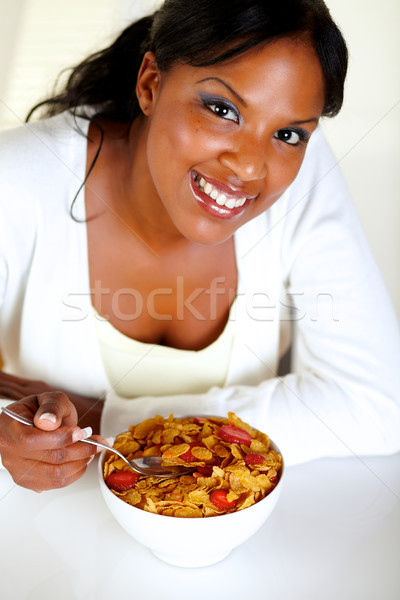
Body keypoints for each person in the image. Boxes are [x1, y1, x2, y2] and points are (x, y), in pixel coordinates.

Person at [0, 0, 399, 492]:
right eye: (222, 109)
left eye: (289, 133)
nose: (251, 167)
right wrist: (9, 430)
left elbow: (377, 405)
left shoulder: (307, 176)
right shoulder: (16, 180)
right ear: (150, 84)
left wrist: (111, 416)